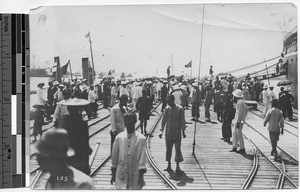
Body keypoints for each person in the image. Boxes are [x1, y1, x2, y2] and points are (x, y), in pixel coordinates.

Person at [111, 112, 147, 189]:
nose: (128, 123)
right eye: (126, 120)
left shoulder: (141, 139)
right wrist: (113, 174)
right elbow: (114, 156)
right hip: (121, 174)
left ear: (135, 121)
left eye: (130, 120)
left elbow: (142, 158)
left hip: (135, 175)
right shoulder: (119, 137)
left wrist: (140, 176)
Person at [59, 98, 91, 175]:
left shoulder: (63, 121)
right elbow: (85, 144)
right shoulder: (82, 123)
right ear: (78, 109)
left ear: (68, 109)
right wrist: (86, 166)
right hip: (78, 156)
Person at [159, 95, 186, 174]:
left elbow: (182, 121)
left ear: (173, 100)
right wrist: (161, 131)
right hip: (168, 133)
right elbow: (163, 120)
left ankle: (177, 166)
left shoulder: (180, 109)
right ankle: (169, 165)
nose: (167, 102)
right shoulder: (167, 109)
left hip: (177, 133)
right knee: (168, 150)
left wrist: (183, 132)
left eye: (169, 101)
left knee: (178, 150)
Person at [229, 89, 248, 154]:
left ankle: (241, 148)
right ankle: (235, 147)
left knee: (239, 134)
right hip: (238, 120)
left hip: (239, 121)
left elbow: (240, 113)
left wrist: (238, 121)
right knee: (235, 133)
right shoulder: (241, 102)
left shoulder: (240, 103)